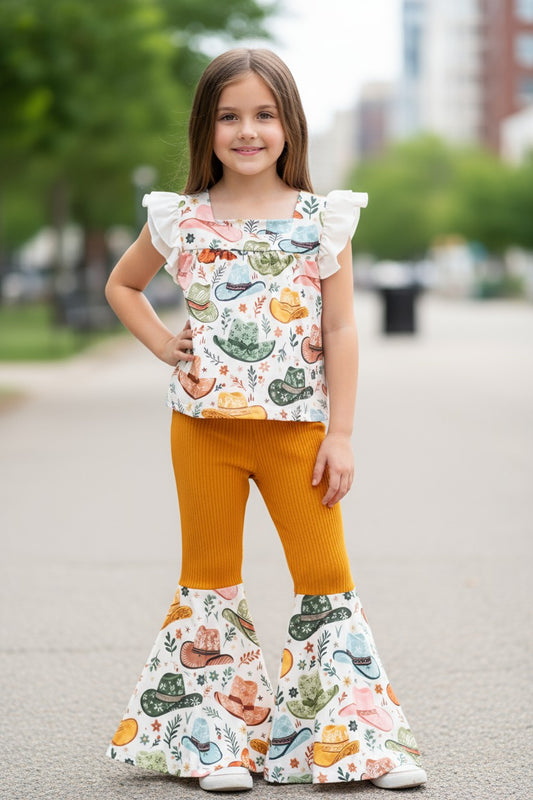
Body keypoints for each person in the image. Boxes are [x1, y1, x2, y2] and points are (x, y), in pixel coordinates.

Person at [105, 48, 427, 793]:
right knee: (210, 582)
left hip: (297, 435)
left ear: (289, 125)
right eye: (228, 116)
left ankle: (357, 743)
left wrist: (339, 434)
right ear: (205, 128)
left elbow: (341, 331)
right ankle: (212, 743)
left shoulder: (321, 220)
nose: (246, 131)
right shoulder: (180, 218)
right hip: (204, 431)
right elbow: (123, 285)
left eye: (262, 115)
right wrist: (163, 342)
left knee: (326, 580)